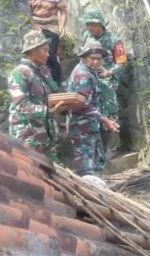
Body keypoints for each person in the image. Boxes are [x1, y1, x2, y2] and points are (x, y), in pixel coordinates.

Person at [8, 30, 64, 162]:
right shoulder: (19, 73)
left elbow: (53, 91)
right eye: (45, 51)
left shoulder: (44, 70)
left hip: (46, 134)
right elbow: (22, 106)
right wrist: (48, 111)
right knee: (31, 170)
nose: (48, 55)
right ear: (33, 51)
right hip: (28, 136)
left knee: (51, 170)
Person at [66, 40, 120, 176]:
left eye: (99, 59)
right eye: (92, 58)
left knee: (94, 162)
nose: (96, 62)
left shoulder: (90, 71)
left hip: (89, 125)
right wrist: (105, 120)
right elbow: (83, 104)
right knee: (87, 167)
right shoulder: (82, 75)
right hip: (82, 127)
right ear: (83, 58)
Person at [81, 9, 128, 160]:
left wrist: (110, 72)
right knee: (94, 112)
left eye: (92, 24)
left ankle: (112, 148)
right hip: (90, 79)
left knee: (110, 112)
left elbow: (122, 61)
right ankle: (99, 148)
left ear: (100, 24)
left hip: (107, 82)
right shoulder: (86, 36)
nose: (89, 28)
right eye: (87, 24)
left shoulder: (114, 40)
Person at [28, 0, 68, 85]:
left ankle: (56, 83)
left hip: (51, 27)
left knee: (50, 55)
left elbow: (63, 11)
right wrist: (33, 26)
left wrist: (62, 26)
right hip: (35, 27)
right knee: (35, 56)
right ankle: (40, 82)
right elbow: (26, 12)